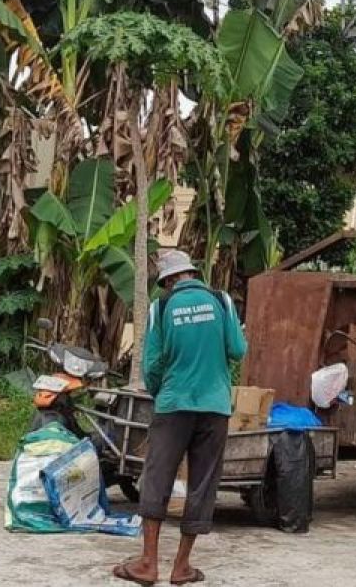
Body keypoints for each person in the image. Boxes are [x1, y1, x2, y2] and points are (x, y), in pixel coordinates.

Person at [114, 250, 247, 587]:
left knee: (157, 476)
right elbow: (237, 349)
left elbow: (152, 365)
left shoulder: (161, 308)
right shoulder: (222, 300)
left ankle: (148, 564)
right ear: (192, 273)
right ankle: (182, 567)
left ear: (169, 280)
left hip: (174, 405)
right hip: (215, 406)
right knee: (202, 484)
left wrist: (163, 394)